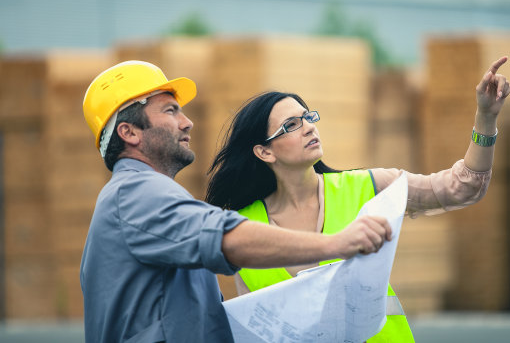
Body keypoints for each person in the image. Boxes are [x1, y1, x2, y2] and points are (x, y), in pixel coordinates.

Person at [80, 60, 393, 343]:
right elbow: (224, 236)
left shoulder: (133, 196)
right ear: (129, 132)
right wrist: (336, 245)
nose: (187, 122)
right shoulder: (139, 194)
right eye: (170, 111)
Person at [205, 56, 510, 342]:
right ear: (264, 152)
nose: (309, 127)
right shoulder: (241, 226)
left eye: (307, 117)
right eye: (291, 125)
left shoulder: (369, 186)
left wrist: (485, 118)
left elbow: (463, 188)